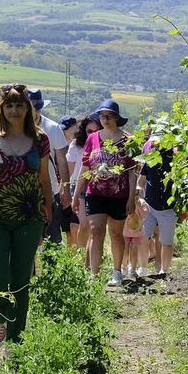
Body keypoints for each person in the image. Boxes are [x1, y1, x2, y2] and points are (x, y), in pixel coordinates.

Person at [0, 84, 54, 348]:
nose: (14, 110)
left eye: (20, 105)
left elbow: (45, 180)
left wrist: (47, 215)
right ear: (1, 109)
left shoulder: (40, 140)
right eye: (9, 105)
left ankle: (16, 345)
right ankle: (2, 319)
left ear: (28, 109)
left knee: (20, 281)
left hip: (30, 218)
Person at [78, 99, 139, 289]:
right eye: (102, 116)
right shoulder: (92, 138)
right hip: (95, 192)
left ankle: (117, 272)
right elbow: (85, 166)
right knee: (96, 231)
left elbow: (132, 170)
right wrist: (75, 195)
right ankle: (94, 275)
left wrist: (131, 198)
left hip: (119, 195)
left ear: (117, 118)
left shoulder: (128, 140)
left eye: (109, 116)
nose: (105, 119)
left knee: (116, 233)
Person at [27, 88, 73, 244]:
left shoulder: (53, 128)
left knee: (53, 237)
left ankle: (52, 269)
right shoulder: (17, 130)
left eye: (37, 107)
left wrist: (65, 188)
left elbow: (62, 161)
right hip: (24, 192)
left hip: (50, 191)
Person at [139, 139, 181, 280]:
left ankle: (163, 271)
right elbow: (141, 180)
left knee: (167, 241)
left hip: (169, 208)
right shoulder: (149, 158)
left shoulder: (175, 159)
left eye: (159, 142)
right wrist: (139, 198)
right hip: (149, 205)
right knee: (143, 237)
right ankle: (143, 268)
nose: (156, 145)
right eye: (154, 143)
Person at [68, 115, 98, 250]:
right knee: (84, 224)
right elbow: (70, 169)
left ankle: (90, 255)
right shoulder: (76, 145)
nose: (92, 134)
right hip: (78, 186)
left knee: (93, 226)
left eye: (96, 131)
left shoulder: (102, 144)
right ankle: (81, 254)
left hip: (96, 186)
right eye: (89, 131)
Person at [58, 114, 82, 247]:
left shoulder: (78, 144)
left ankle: (80, 257)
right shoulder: (60, 147)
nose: (64, 132)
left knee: (75, 227)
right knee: (67, 229)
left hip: (76, 189)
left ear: (75, 128)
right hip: (66, 188)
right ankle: (71, 258)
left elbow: (69, 171)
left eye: (66, 129)